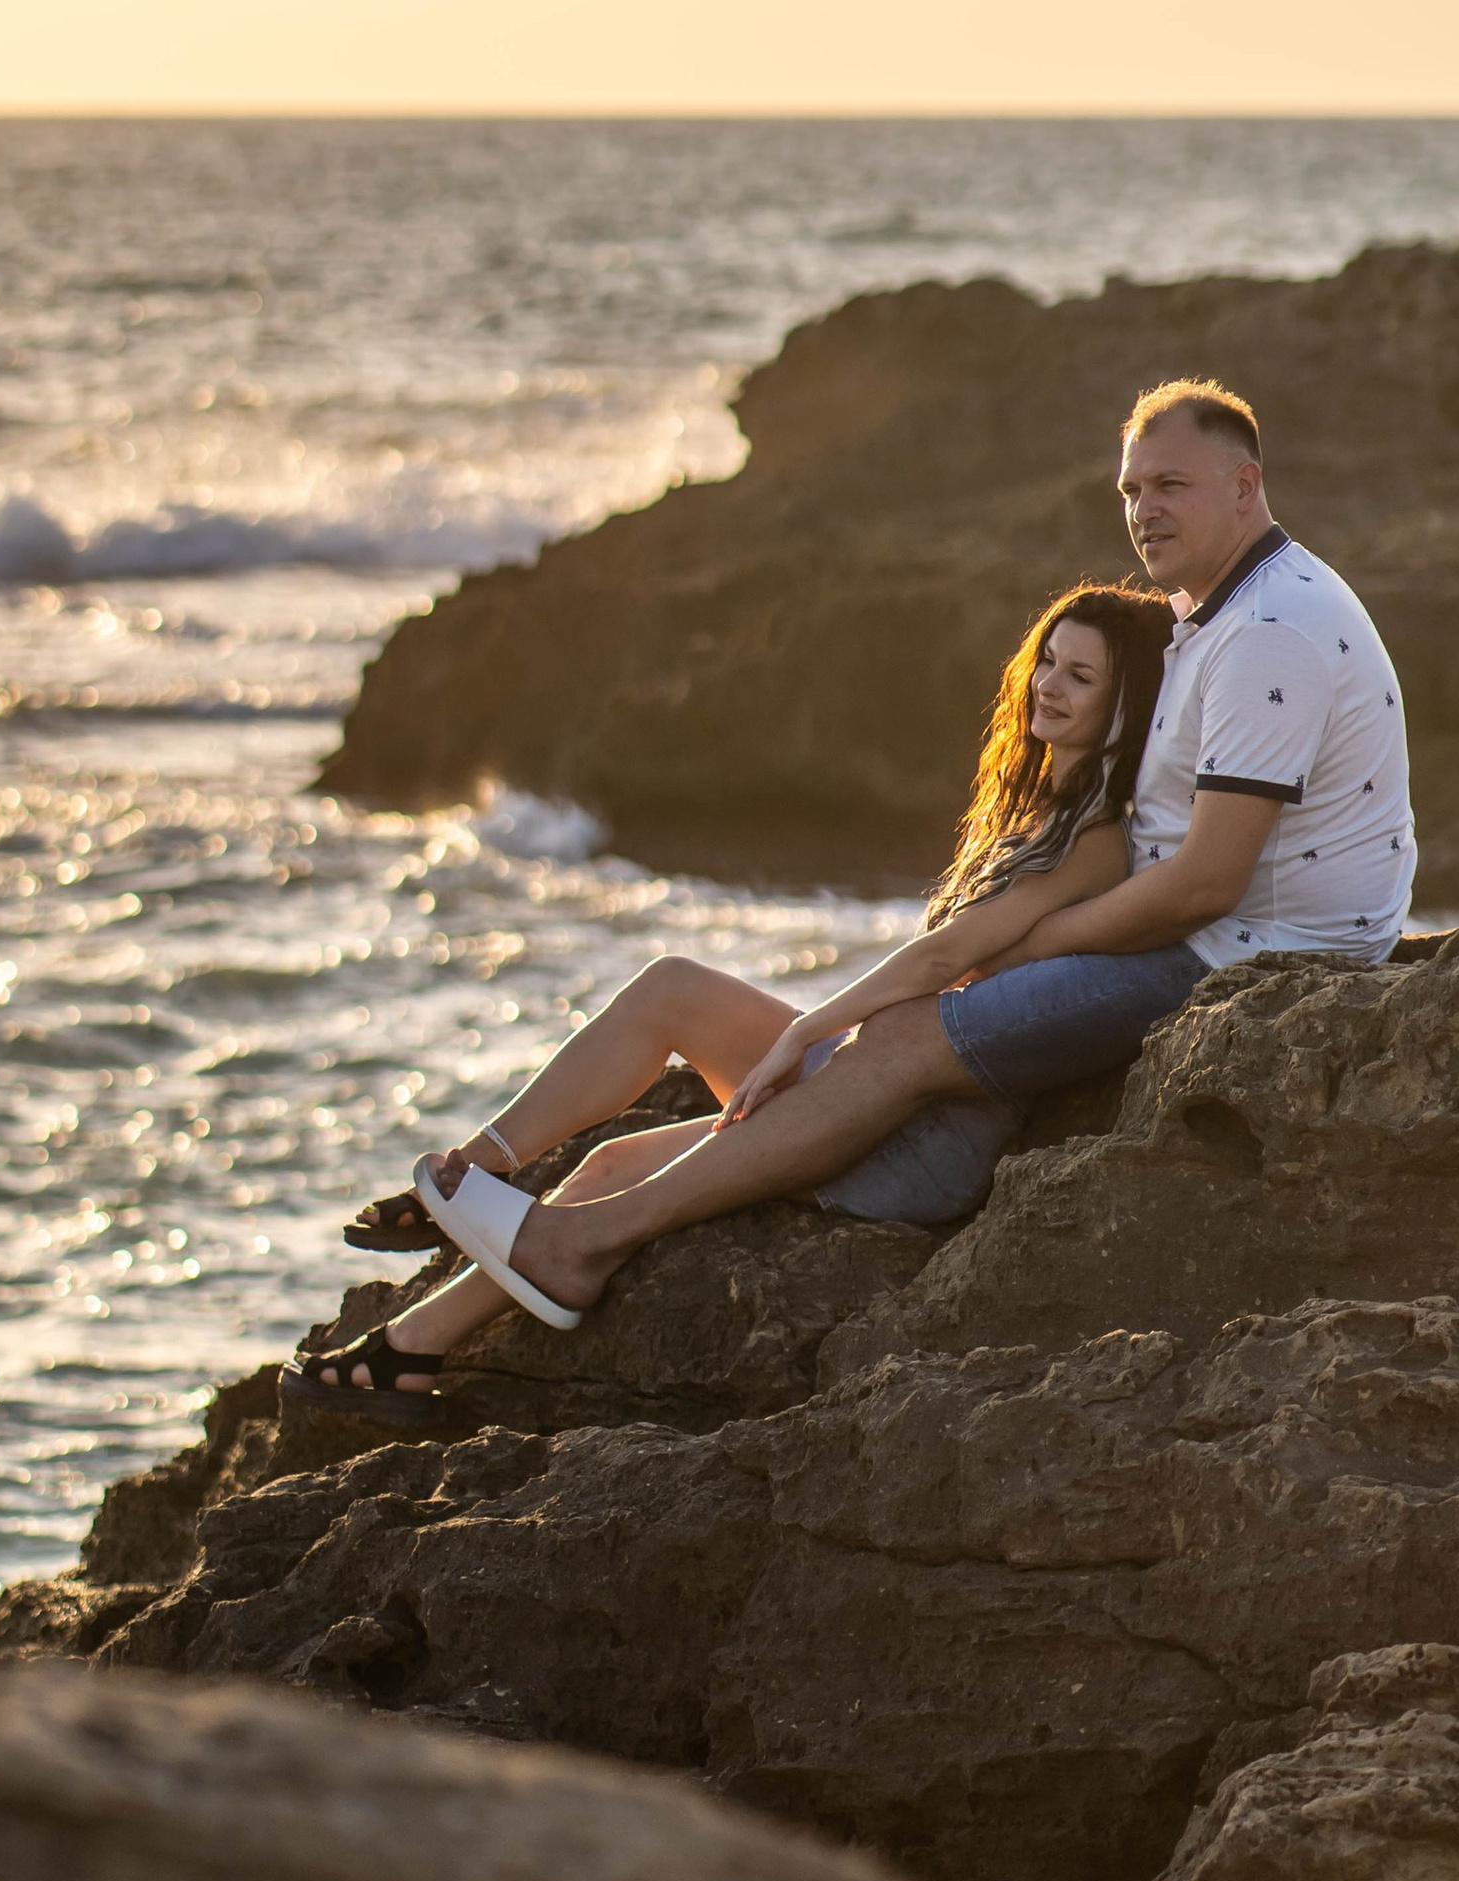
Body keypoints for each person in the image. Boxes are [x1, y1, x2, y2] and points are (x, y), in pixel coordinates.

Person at [310, 376, 1414, 1396]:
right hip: (1212, 938)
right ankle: (420, 1343)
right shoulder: (1204, 621)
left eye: (1170, 485)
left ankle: (571, 1244)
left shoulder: (1271, 627)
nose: (1143, 509)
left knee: (899, 1041)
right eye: (1129, 487)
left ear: (1244, 485)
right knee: (664, 1116)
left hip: (1248, 959)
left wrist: (1032, 950)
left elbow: (1203, 881)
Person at [283, 580, 1180, 1429]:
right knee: (663, 1010)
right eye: (1049, 663)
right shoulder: (1030, 814)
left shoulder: (1097, 842)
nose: (1050, 688)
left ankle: (416, 1325)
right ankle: (456, 1233)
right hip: (866, 1078)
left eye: (1082, 676)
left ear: (1123, 708)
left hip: (917, 1131)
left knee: (619, 1159)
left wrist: (802, 1029)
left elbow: (947, 957)